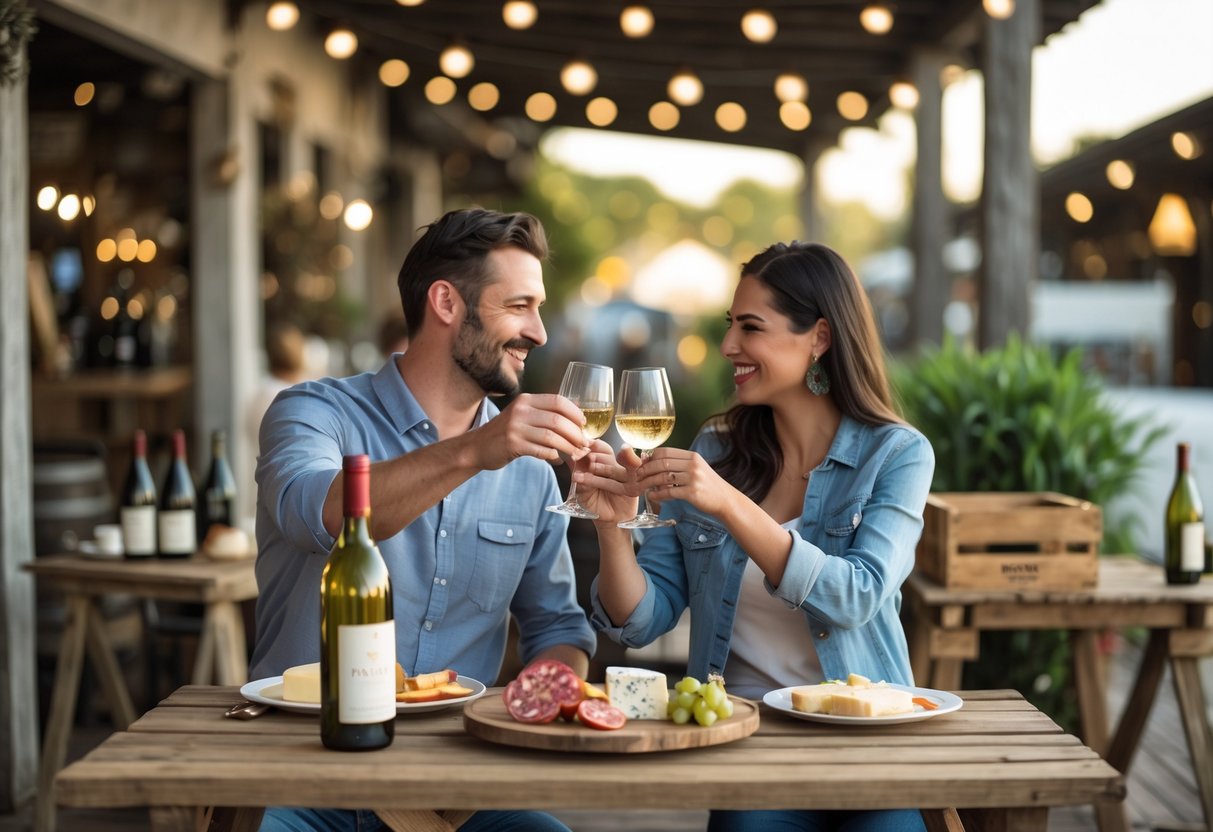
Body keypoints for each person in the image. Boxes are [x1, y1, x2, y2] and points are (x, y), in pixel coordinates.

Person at [250, 208, 597, 832]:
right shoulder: (313, 413)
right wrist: (474, 452)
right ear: (446, 302)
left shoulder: (530, 469)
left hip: (454, 788)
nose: (539, 332)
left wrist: (547, 691)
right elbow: (320, 515)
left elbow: (558, 628)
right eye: (519, 306)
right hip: (300, 771)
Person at [578, 241, 935, 832]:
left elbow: (858, 595)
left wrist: (727, 501)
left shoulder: (895, 454)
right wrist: (614, 523)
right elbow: (642, 621)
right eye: (729, 326)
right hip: (749, 745)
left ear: (819, 337)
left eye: (751, 327)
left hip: (869, 746)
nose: (727, 347)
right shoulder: (716, 449)